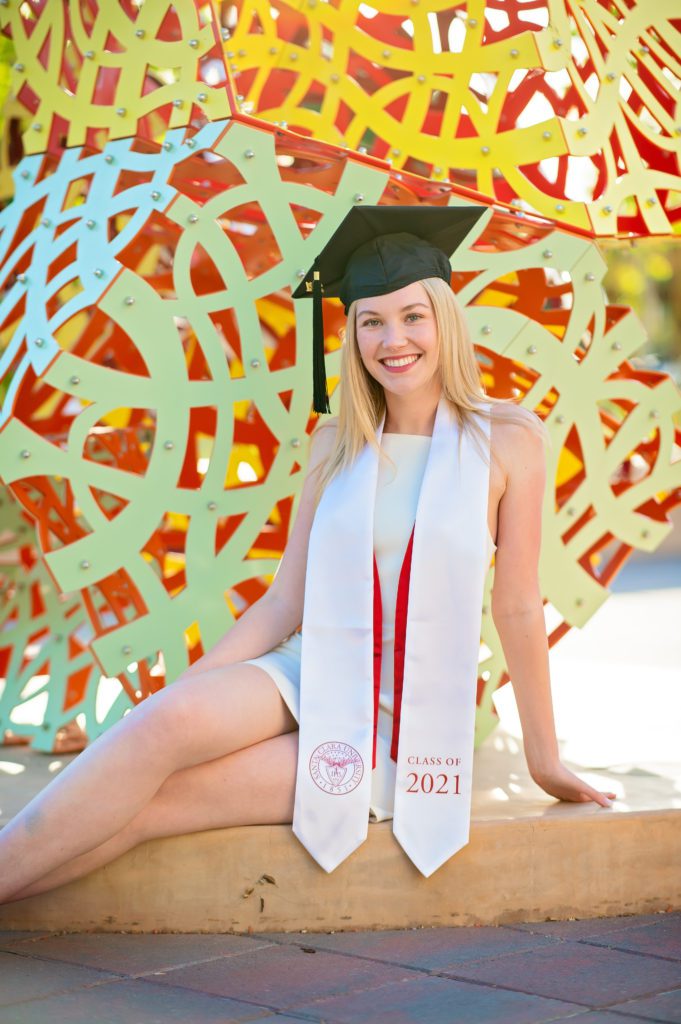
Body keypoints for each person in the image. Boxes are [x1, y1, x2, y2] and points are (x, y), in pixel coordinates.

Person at [0, 206, 616, 905]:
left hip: (404, 714)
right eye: (371, 322)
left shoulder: (507, 439)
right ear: (352, 334)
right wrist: (187, 691)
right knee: (159, 725)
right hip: (309, 666)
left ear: (445, 319)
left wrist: (543, 758)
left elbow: (517, 606)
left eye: (412, 316)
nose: (393, 340)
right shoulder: (336, 442)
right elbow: (285, 600)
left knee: (159, 803)